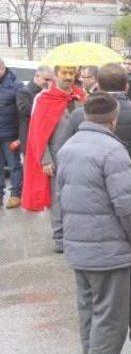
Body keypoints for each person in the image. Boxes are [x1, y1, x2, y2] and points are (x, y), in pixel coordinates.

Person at [63, 63, 131, 352]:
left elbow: (66, 178)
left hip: (84, 222)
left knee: (90, 303)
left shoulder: (79, 117)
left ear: (98, 86)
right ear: (127, 85)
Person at [22, 65, 86, 252]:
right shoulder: (43, 99)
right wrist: (45, 159)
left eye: (71, 73)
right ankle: (60, 237)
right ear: (56, 75)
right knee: (58, 198)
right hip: (57, 156)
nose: (68, 77)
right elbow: (38, 131)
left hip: (80, 155)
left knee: (80, 195)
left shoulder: (81, 96)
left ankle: (76, 233)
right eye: (64, 73)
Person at [0, 58, 24, 208]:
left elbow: (22, 114)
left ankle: (16, 195)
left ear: (2, 68)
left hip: (10, 135)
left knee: (14, 165)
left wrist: (20, 137)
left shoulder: (16, 85)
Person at [16, 66, 53, 157]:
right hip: (29, 135)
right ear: (37, 76)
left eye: (50, 80)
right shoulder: (24, 92)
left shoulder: (48, 91)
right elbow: (24, 109)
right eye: (46, 79)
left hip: (43, 134)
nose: (48, 82)